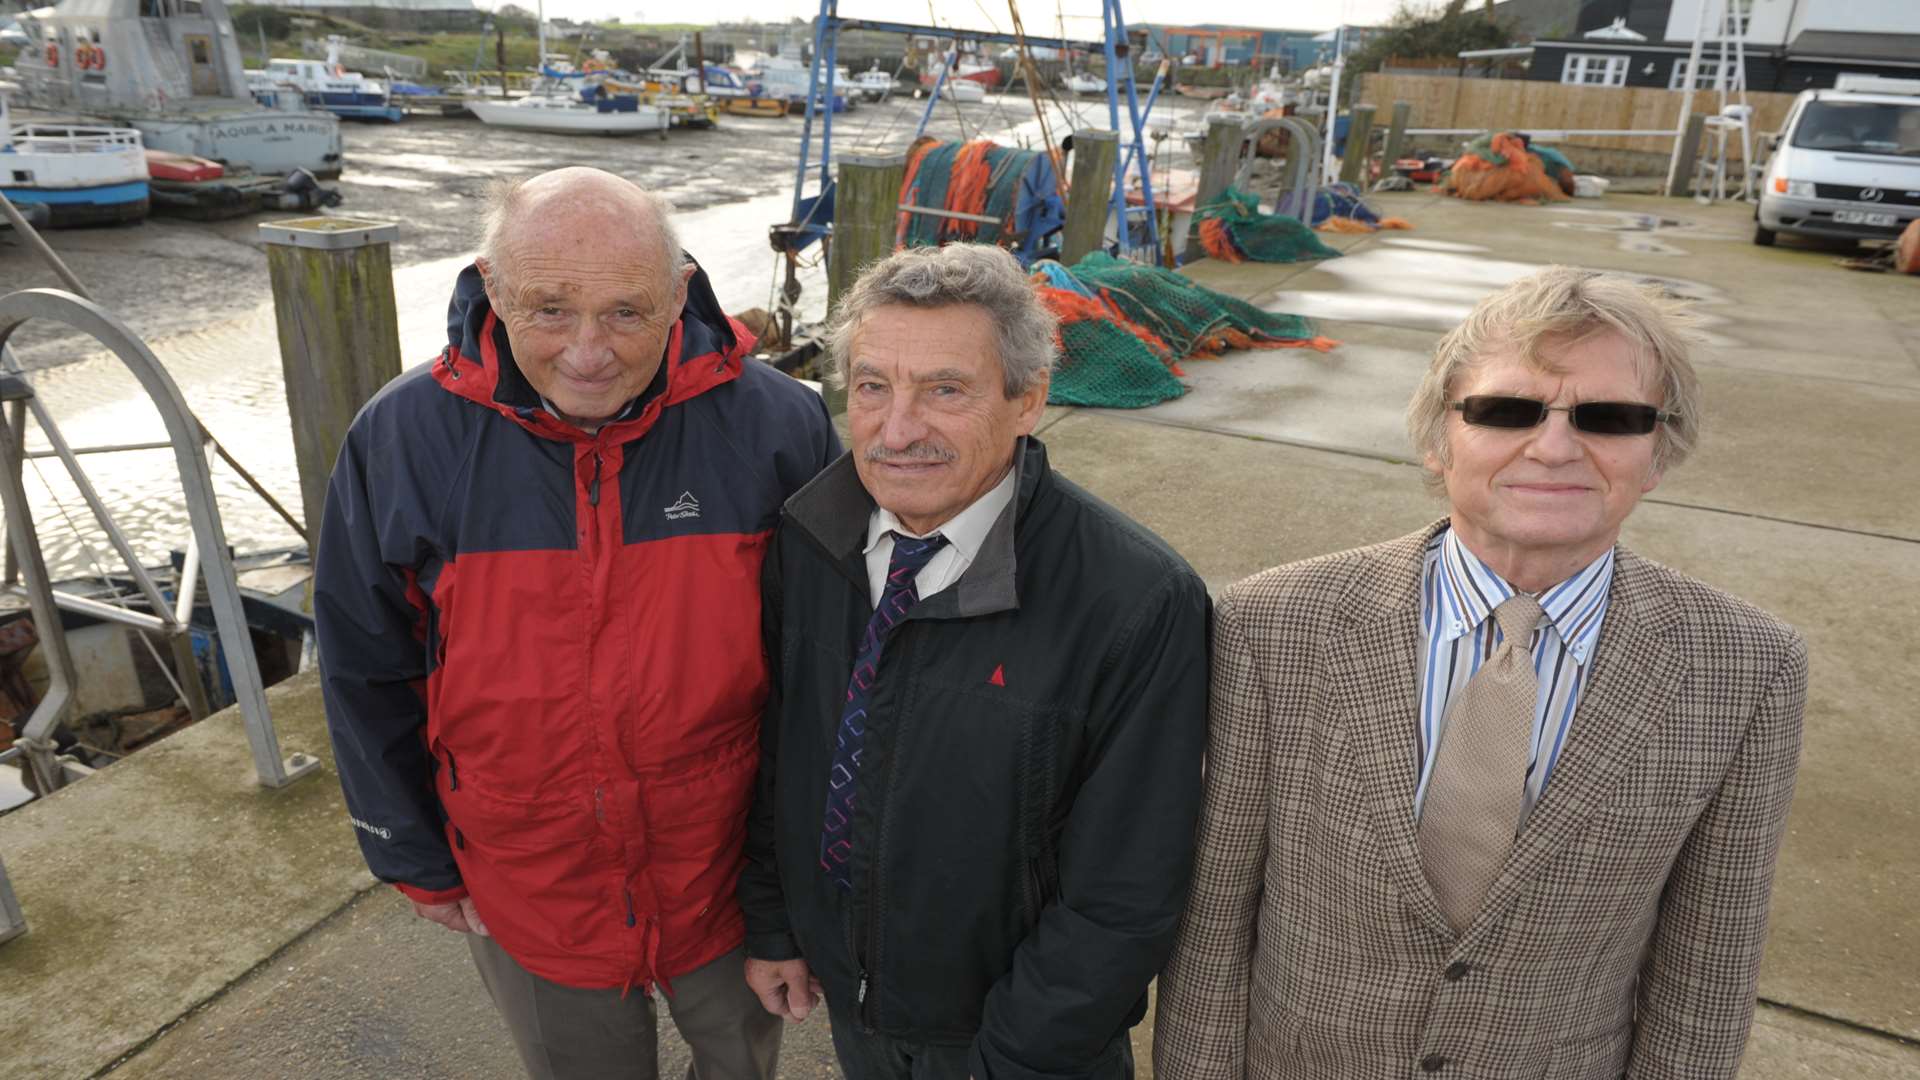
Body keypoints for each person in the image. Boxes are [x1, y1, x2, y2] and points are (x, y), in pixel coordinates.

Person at [1154, 267, 1807, 1079]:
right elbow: (1214, 923)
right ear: (1438, 438)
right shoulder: (1272, 624)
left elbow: (1708, 966)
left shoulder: (1747, 668)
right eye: (1508, 410)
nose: (1556, 446)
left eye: (1610, 417)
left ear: (1658, 454)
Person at [314, 167, 840, 1080]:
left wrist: (795, 882)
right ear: (491, 286)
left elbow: (829, 664)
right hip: (530, 878)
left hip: (727, 873)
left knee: (743, 1066)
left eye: (628, 312)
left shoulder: (780, 427)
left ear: (680, 292)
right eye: (549, 310)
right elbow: (364, 664)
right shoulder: (399, 439)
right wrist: (407, 848)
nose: (588, 352)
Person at [737, 243, 1210, 1080]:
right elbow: (788, 751)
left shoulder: (1137, 599)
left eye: (945, 391)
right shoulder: (810, 540)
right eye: (874, 386)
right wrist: (777, 925)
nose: (898, 428)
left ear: (1028, 400)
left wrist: (1016, 1056)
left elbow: (1126, 889)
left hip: (1024, 1043)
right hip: (856, 1011)